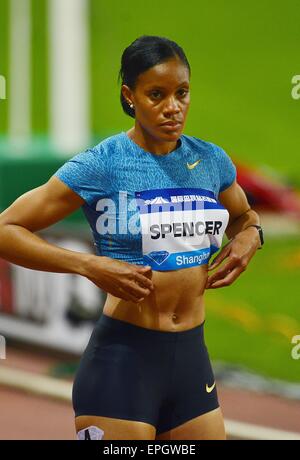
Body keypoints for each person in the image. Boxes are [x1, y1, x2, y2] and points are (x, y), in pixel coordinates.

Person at [0, 35, 263, 440]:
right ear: (130, 95)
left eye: (182, 93)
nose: (173, 107)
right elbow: (7, 229)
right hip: (123, 364)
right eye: (156, 95)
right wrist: (88, 265)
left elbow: (244, 215)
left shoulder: (210, 160)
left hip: (192, 362)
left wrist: (252, 234)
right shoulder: (102, 165)